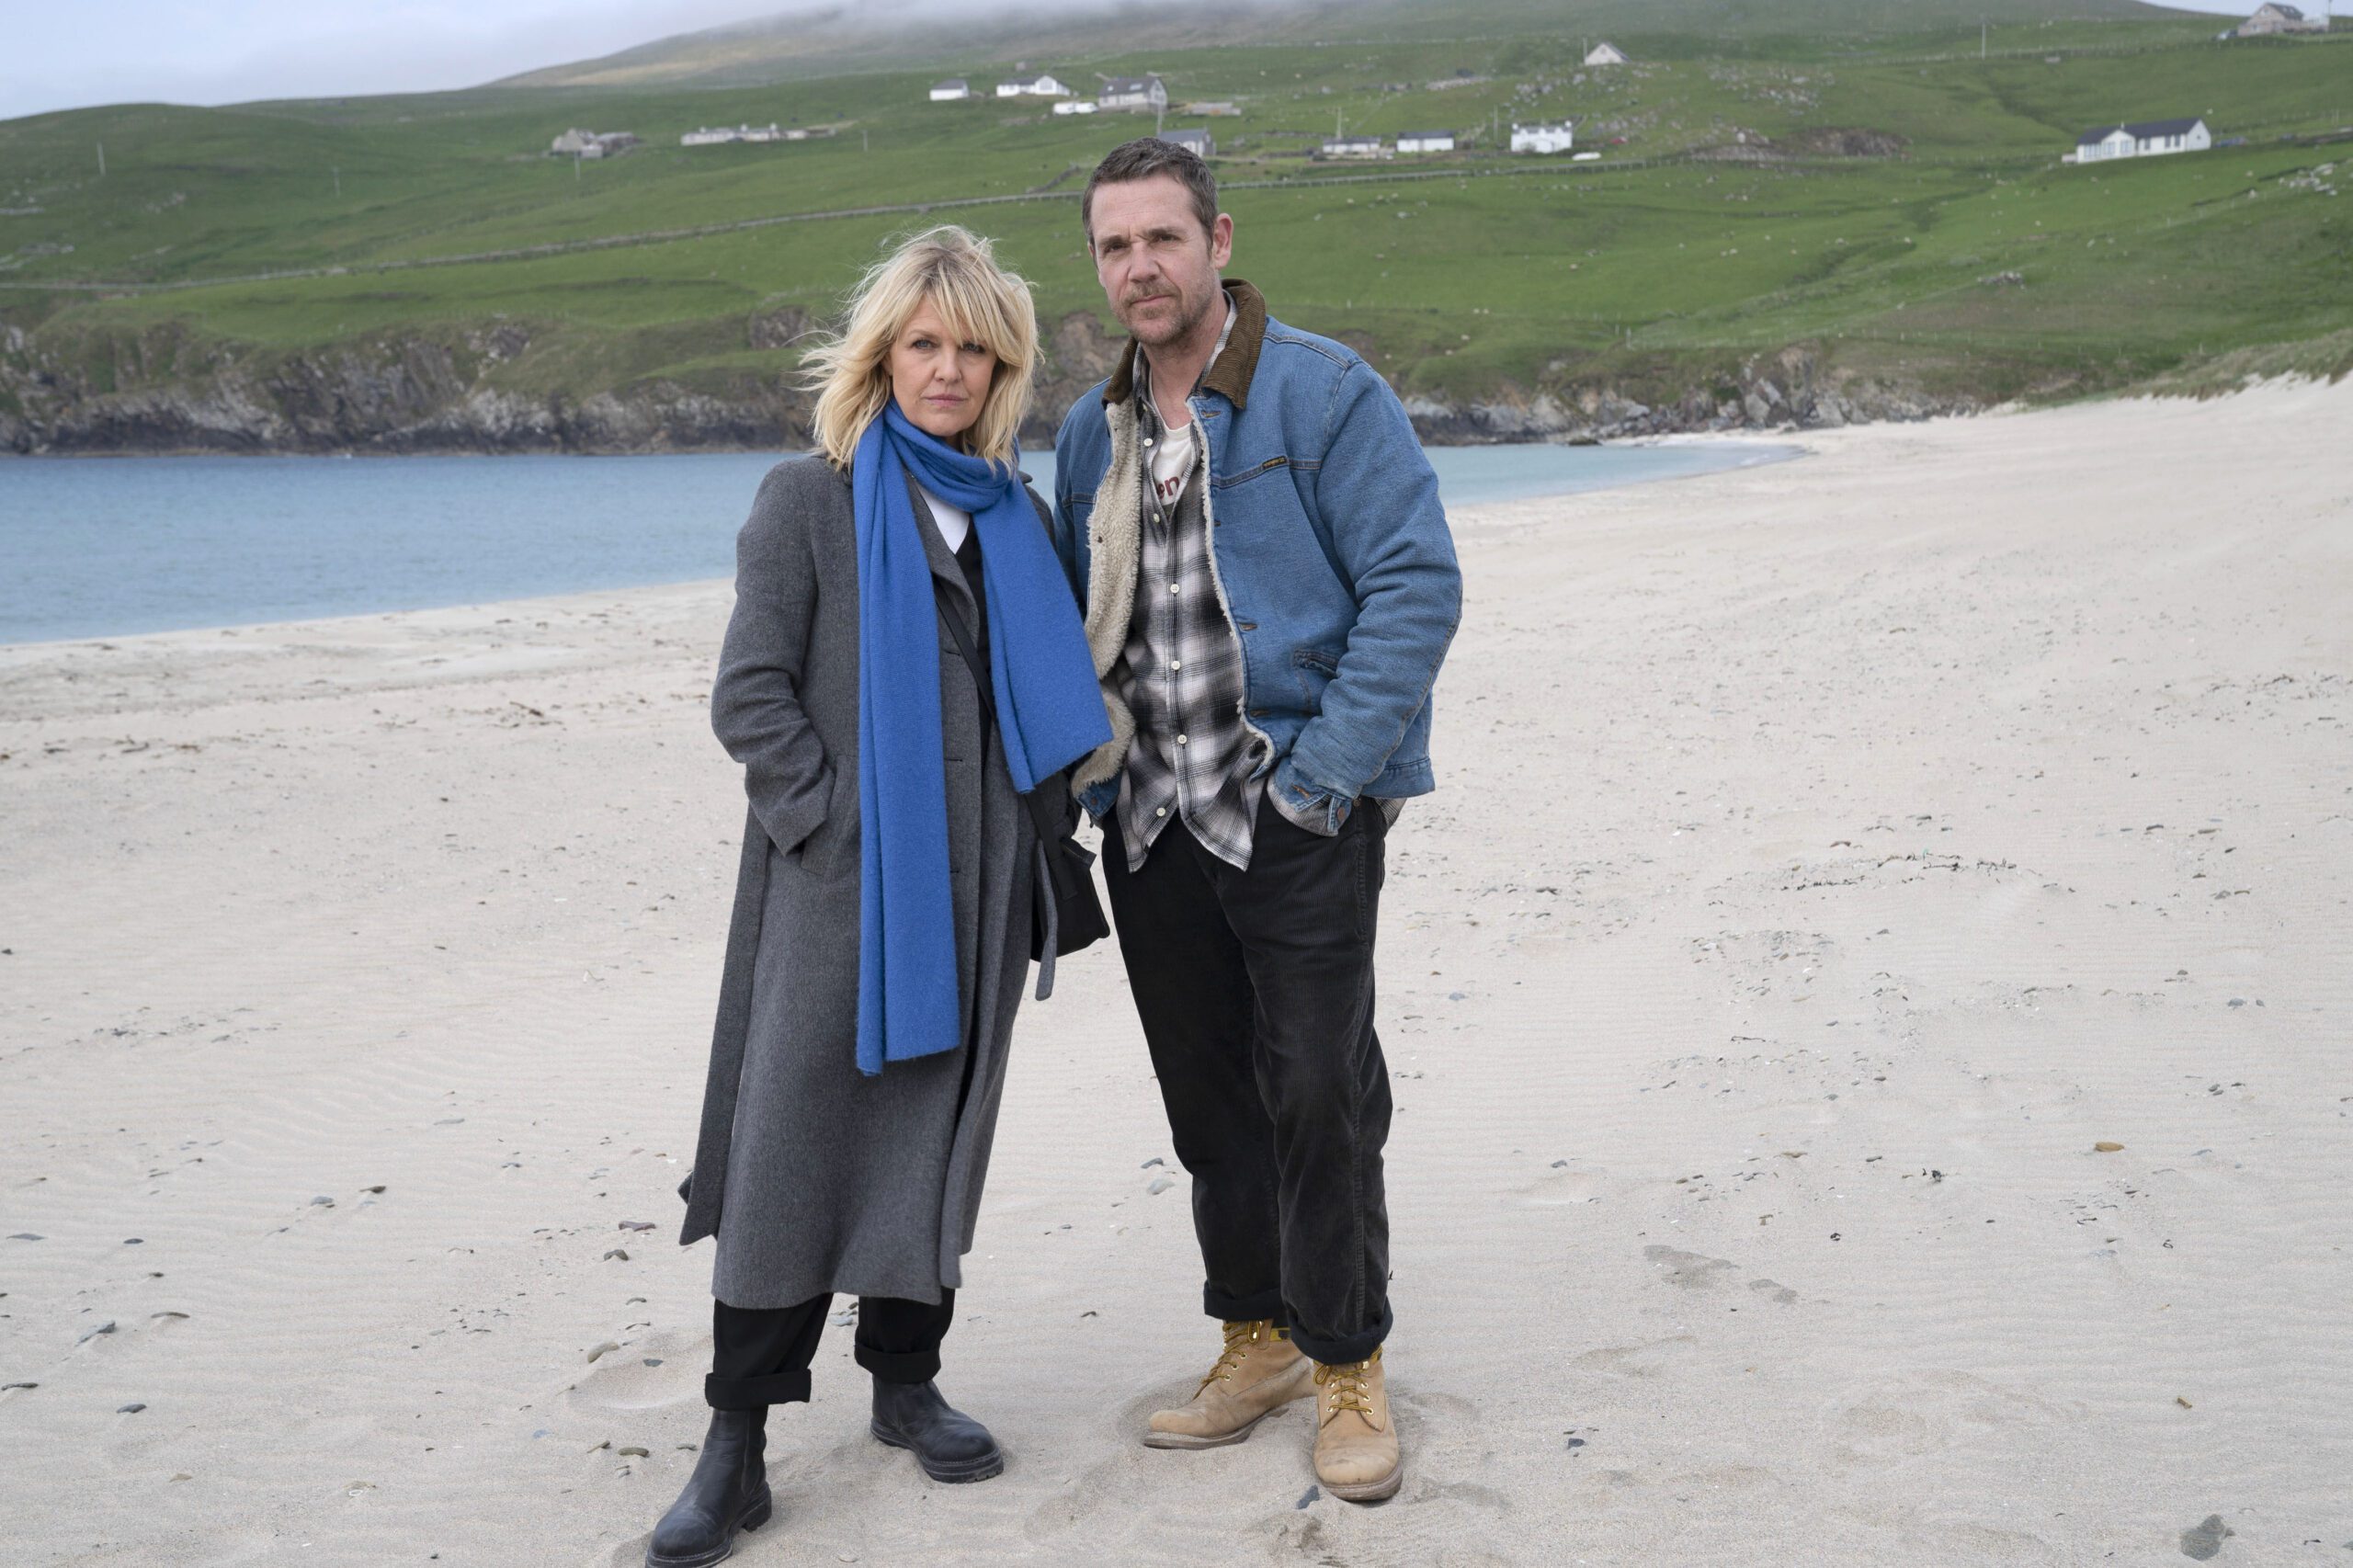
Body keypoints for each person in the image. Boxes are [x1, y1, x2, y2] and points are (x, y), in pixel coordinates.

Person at [654, 225, 1111, 1567]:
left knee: (934, 1141)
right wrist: (835, 830)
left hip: (984, 889)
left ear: (1005, 365)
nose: (949, 369)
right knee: (792, 1149)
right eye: (926, 342)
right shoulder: (809, 497)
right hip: (841, 892)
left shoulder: (1015, 514)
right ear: (881, 356)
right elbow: (750, 694)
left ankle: (904, 1381)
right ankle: (734, 1444)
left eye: (975, 347)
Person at [1050, 139, 1461, 1504]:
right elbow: (1072, 624)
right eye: (1115, 247)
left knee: (1317, 1093)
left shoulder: (1326, 392)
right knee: (1212, 1104)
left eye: (1162, 239)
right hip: (1155, 822)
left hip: (1296, 811)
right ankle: (1257, 1339)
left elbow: (1415, 585)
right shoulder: (1086, 431)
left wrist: (1322, 779)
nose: (1139, 268)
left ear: (1218, 240)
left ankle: (1349, 1360)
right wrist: (1094, 783)